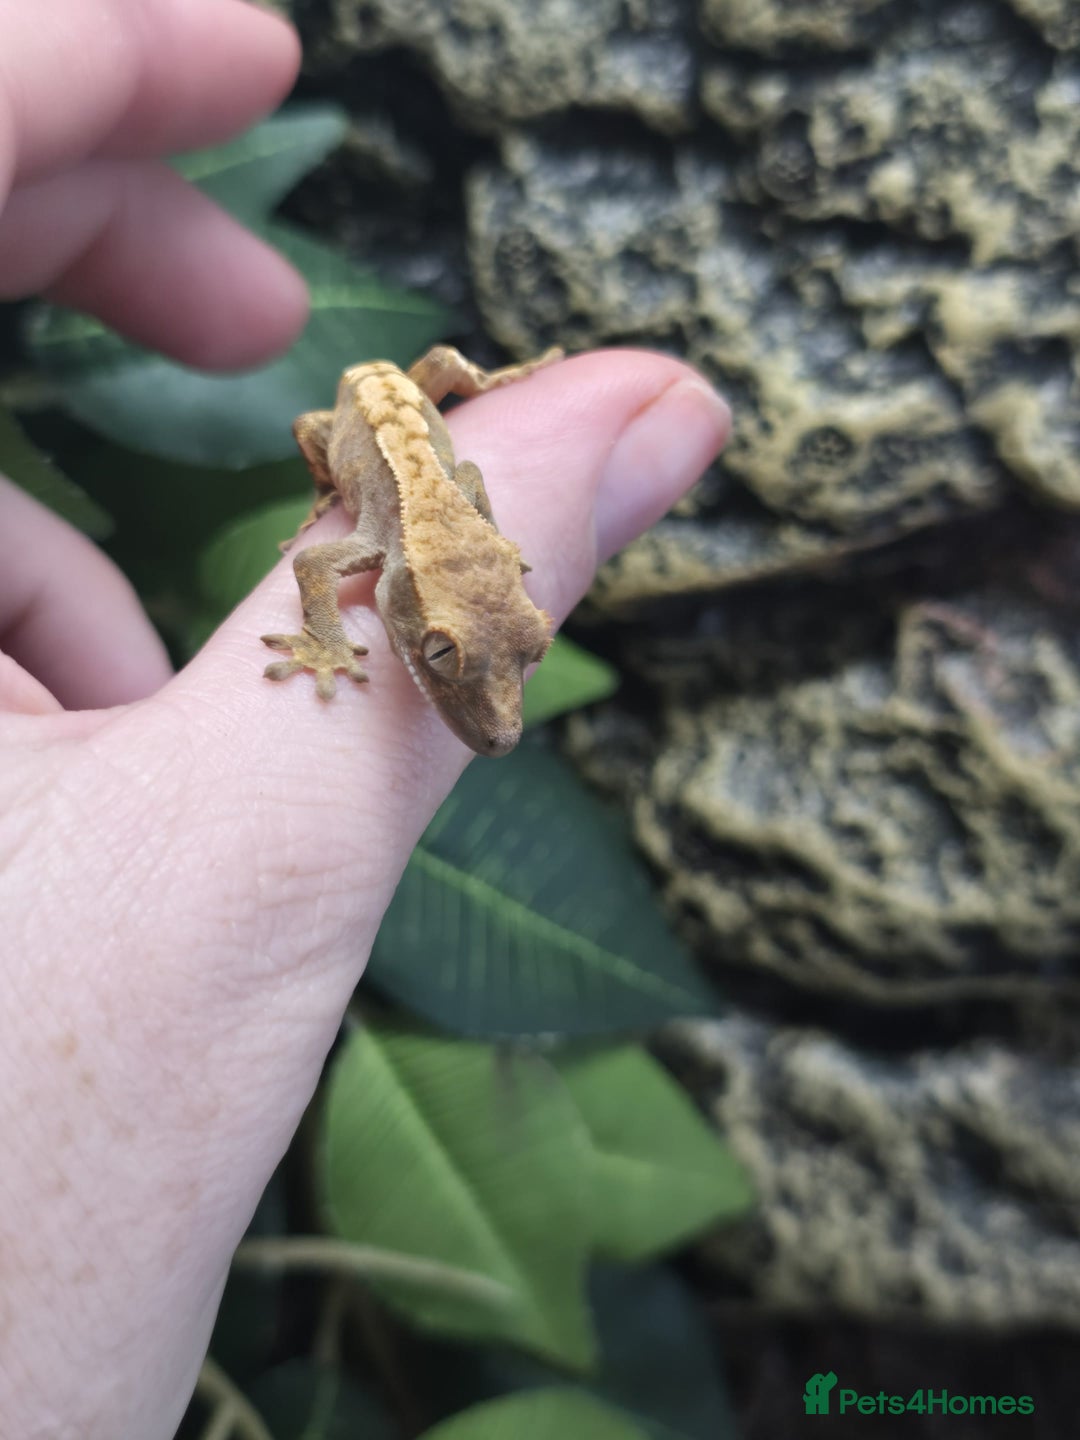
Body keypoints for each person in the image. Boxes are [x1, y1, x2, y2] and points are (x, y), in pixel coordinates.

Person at [0, 2, 732, 1435]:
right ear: (407, 604)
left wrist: (475, 596)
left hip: (421, 433)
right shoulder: (368, 558)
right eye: (460, 658)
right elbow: (332, 558)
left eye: (493, 654)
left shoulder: (466, 551)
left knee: (444, 394)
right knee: (365, 421)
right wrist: (327, 642)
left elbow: (482, 588)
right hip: (362, 420)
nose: (492, 707)